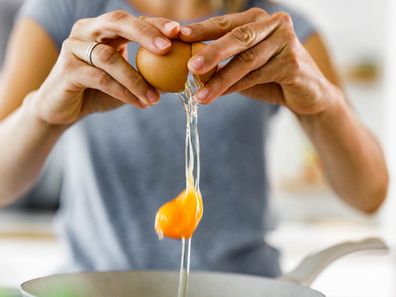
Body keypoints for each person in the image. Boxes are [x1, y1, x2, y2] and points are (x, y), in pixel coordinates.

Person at [0, 0, 388, 276]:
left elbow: (368, 193)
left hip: (240, 287)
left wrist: (322, 105)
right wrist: (42, 114)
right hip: (100, 285)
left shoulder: (278, 31)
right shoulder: (68, 13)